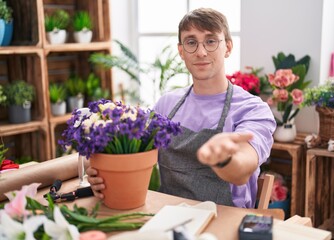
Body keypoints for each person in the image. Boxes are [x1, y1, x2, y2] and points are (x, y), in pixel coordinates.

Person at [87, 8, 276, 208]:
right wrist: (102, 170)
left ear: (228, 47)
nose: (201, 52)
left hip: (225, 221)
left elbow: (242, 170)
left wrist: (223, 159)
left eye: (211, 41)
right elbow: (133, 154)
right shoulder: (166, 105)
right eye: (191, 42)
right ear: (181, 51)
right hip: (167, 214)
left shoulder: (252, 109)